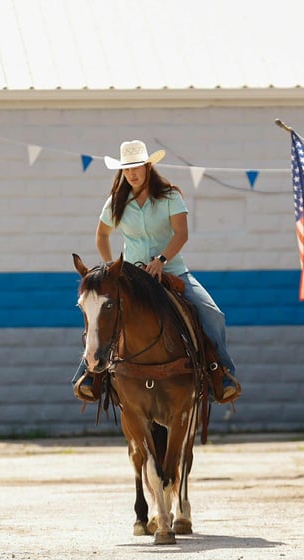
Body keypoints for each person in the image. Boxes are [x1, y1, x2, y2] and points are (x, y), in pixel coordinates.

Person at [73, 139, 240, 403]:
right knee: (101, 314)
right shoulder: (116, 202)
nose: (132, 174)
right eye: (126, 169)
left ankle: (221, 373)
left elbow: (181, 233)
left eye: (136, 167)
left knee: (212, 314)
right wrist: (111, 269)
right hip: (131, 277)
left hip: (173, 271)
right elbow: (102, 235)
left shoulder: (170, 196)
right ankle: (91, 375)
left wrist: (161, 260)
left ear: (148, 167)